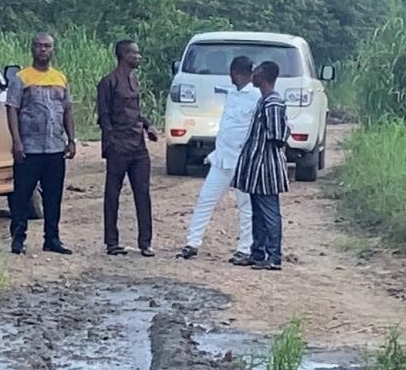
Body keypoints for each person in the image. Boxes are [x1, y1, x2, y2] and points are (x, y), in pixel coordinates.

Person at [178, 56, 260, 263]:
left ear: (237, 73)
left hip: (242, 160)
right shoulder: (232, 93)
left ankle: (245, 248)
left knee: (245, 206)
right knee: (205, 199)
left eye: (232, 74)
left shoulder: (257, 96)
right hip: (221, 158)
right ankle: (192, 243)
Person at [6, 33, 77, 256]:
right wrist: (17, 141)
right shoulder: (21, 78)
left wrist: (72, 139)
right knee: (22, 195)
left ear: (53, 49)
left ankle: (52, 238)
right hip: (29, 148)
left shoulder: (60, 78)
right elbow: (12, 109)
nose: (43, 50)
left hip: (55, 147)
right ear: (32, 49)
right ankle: (18, 239)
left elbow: (67, 110)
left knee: (53, 196)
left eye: (47, 46)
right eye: (39, 46)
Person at [97, 40, 158, 257]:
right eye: (135, 53)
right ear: (124, 55)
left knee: (143, 193)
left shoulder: (134, 80)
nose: (138, 56)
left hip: (138, 145)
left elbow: (135, 112)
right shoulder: (108, 82)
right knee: (112, 194)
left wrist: (147, 125)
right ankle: (112, 242)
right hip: (119, 145)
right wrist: (111, 143)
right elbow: (104, 117)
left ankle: (145, 242)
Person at [231, 60, 290, 271]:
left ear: (263, 76)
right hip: (258, 166)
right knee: (258, 212)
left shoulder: (272, 102)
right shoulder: (265, 100)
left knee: (269, 213)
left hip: (266, 167)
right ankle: (258, 253)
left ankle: (274, 257)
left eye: (255, 72)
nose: (252, 75)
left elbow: (277, 136)